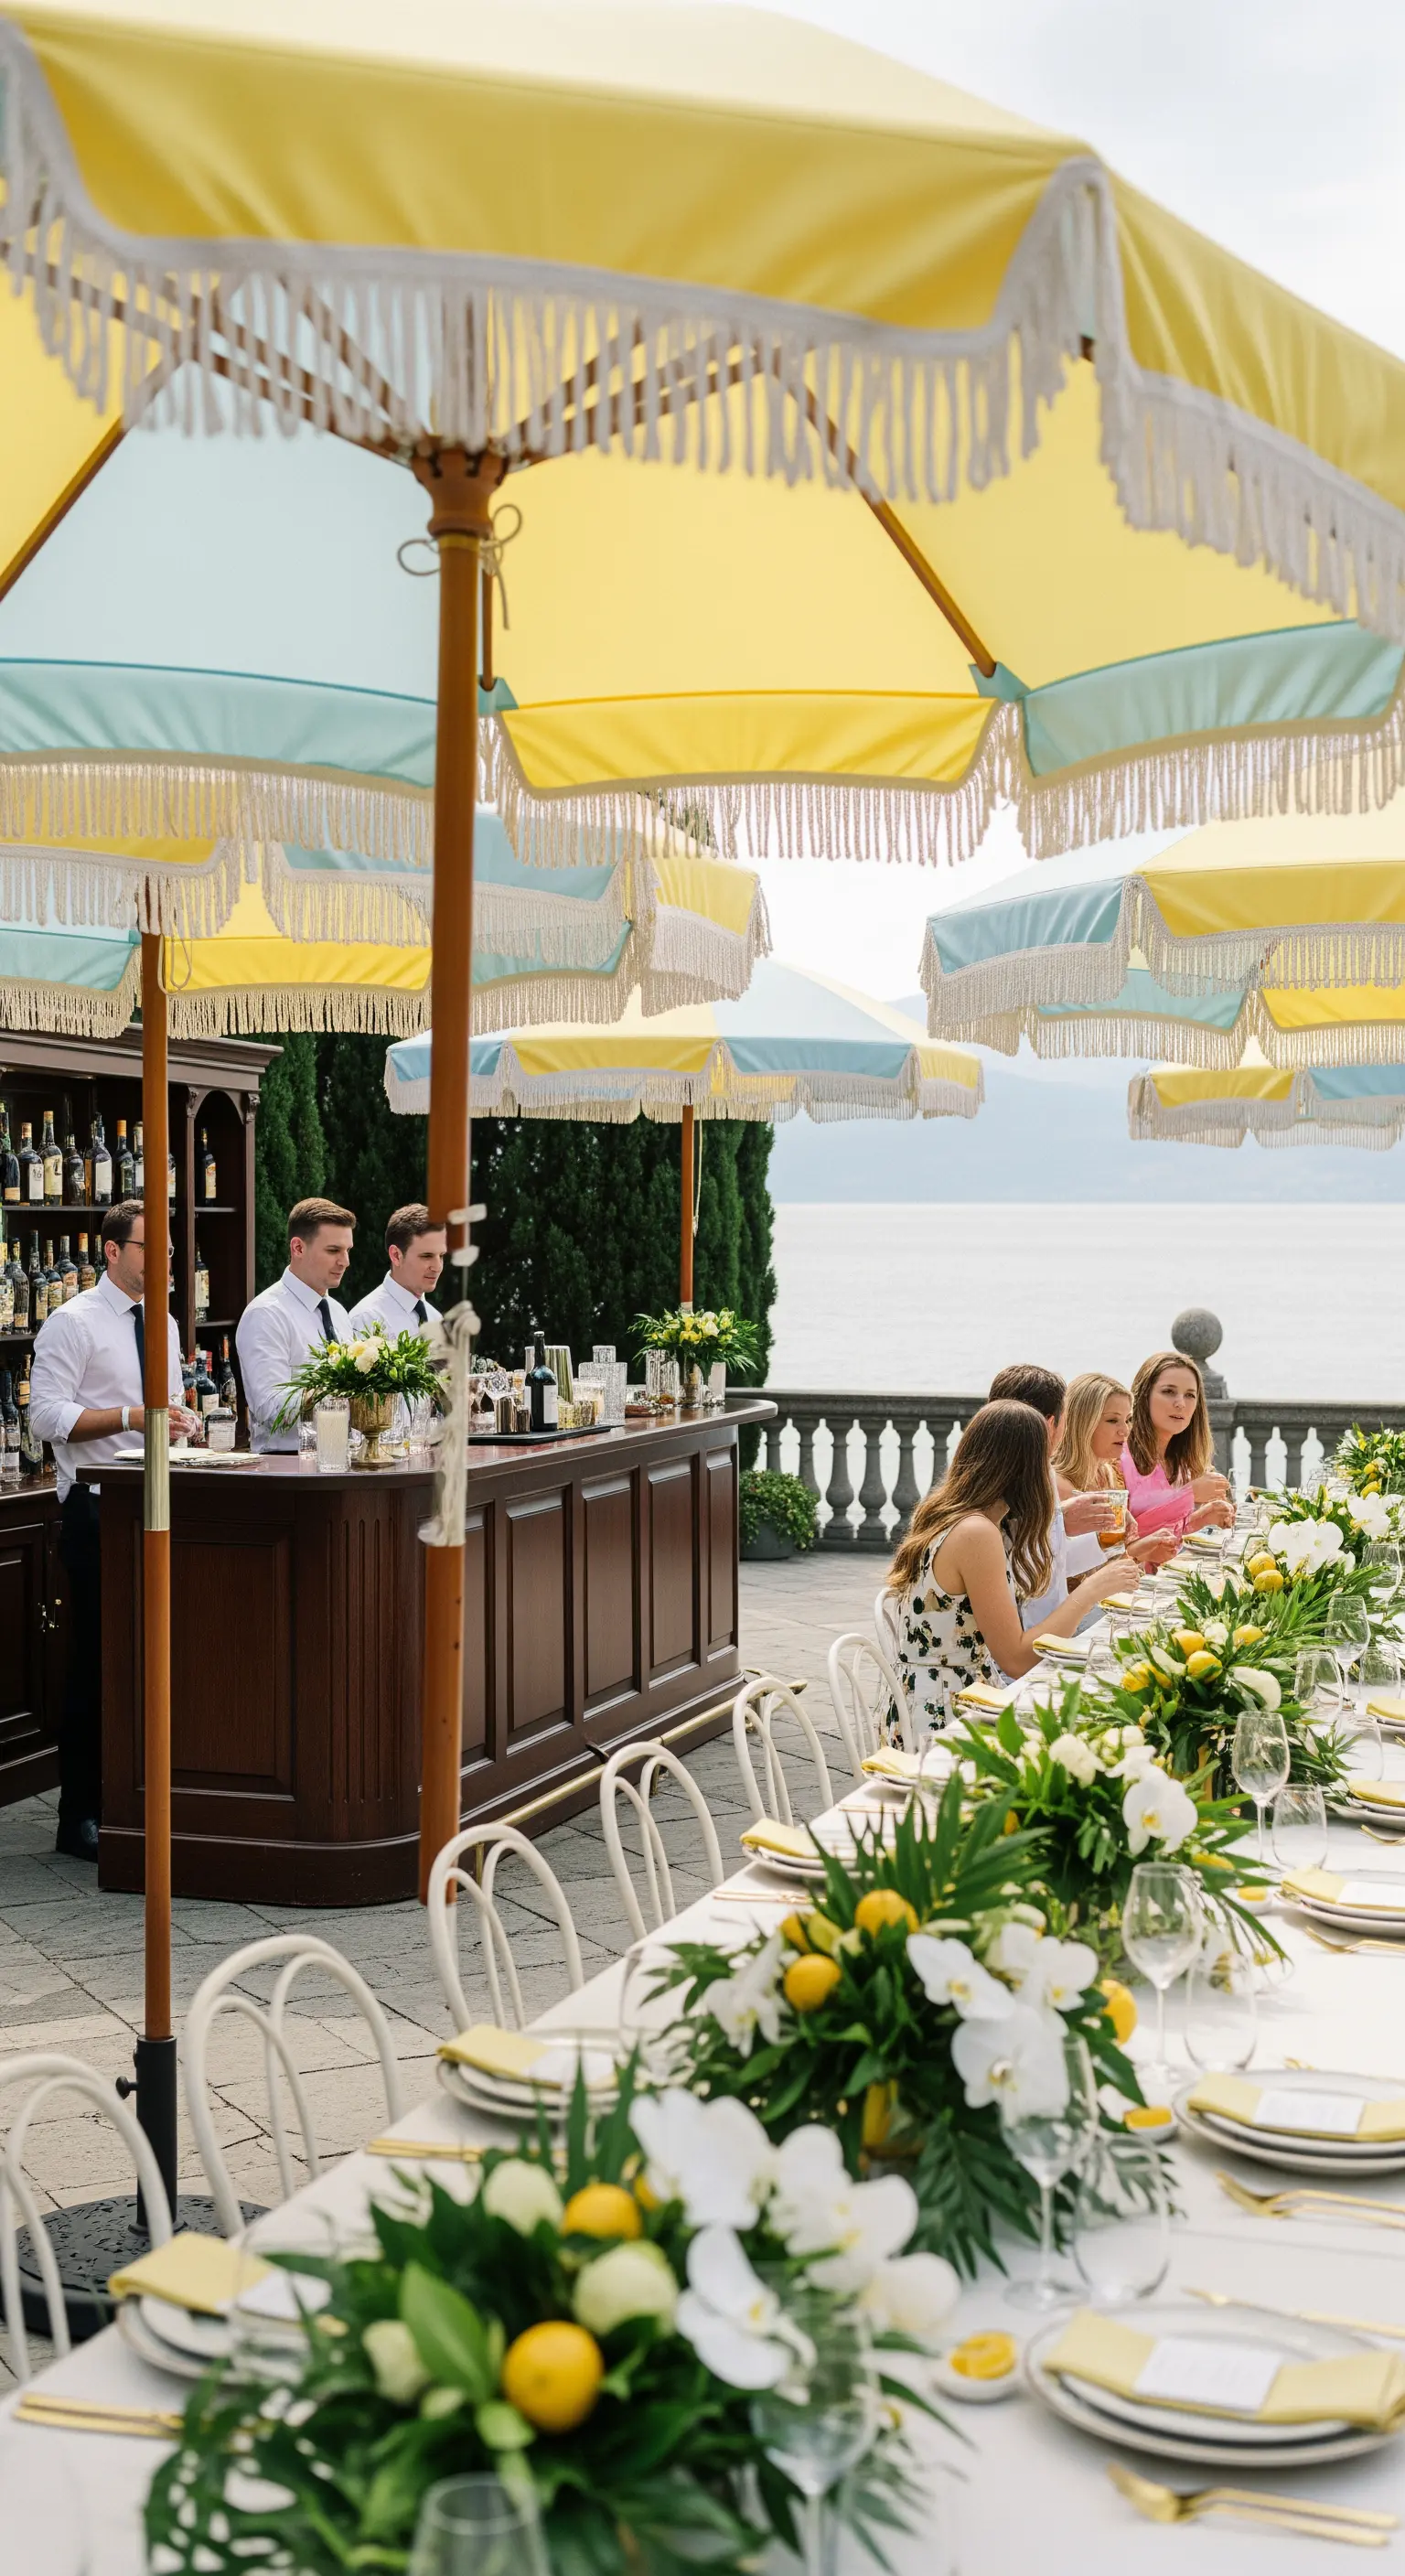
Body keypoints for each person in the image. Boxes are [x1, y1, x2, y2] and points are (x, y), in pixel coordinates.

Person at [28, 1201, 198, 1861]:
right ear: (112, 1251)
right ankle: (80, 1815)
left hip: (160, 1504)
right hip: (96, 1510)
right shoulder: (72, 1322)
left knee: (157, 1659)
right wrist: (133, 1415)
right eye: (150, 1249)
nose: (164, 1262)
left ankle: (142, 1800)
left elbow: (165, 1410)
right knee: (100, 1663)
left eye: (169, 1253)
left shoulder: (165, 1322)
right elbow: (46, 1417)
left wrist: (178, 1423)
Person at [884, 1400, 1141, 1735]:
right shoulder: (977, 1534)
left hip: (940, 1697)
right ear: (1024, 1470)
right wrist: (1093, 1590)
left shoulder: (955, 1514)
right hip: (947, 1719)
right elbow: (1017, 1660)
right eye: (1044, 1462)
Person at [987, 1362, 1121, 1628]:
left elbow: (1052, 1562)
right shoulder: (1014, 1484)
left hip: (1048, 1628)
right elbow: (1023, 1574)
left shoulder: (1041, 1470)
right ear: (1051, 1424)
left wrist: (1104, 1540)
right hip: (1025, 1638)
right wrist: (1092, 1589)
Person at [236, 1197, 356, 1452]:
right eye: (333, 1250)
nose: (345, 1261)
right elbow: (269, 1408)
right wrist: (339, 1395)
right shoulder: (266, 1314)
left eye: (348, 1251)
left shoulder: (339, 1312)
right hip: (287, 1464)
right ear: (298, 1248)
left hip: (342, 1460)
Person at [1053, 1372, 1181, 1579]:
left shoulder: (1107, 1474)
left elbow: (1109, 1560)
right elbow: (1070, 1573)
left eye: (1128, 1420)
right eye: (1113, 1420)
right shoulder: (1058, 1487)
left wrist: (1142, 1551)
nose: (1125, 1431)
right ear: (1083, 1424)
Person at [1121, 1350, 1236, 1539]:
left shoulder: (1185, 1464)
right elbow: (1116, 1538)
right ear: (1144, 1395)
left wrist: (1205, 1517)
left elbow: (1172, 1537)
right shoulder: (1118, 1459)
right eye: (1168, 1392)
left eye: (1190, 1395)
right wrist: (1189, 1495)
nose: (1181, 1403)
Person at [348, 1203, 445, 1339]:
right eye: (426, 1256)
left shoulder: (436, 1319)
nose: (438, 1267)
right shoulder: (366, 1319)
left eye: (441, 1256)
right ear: (396, 1255)